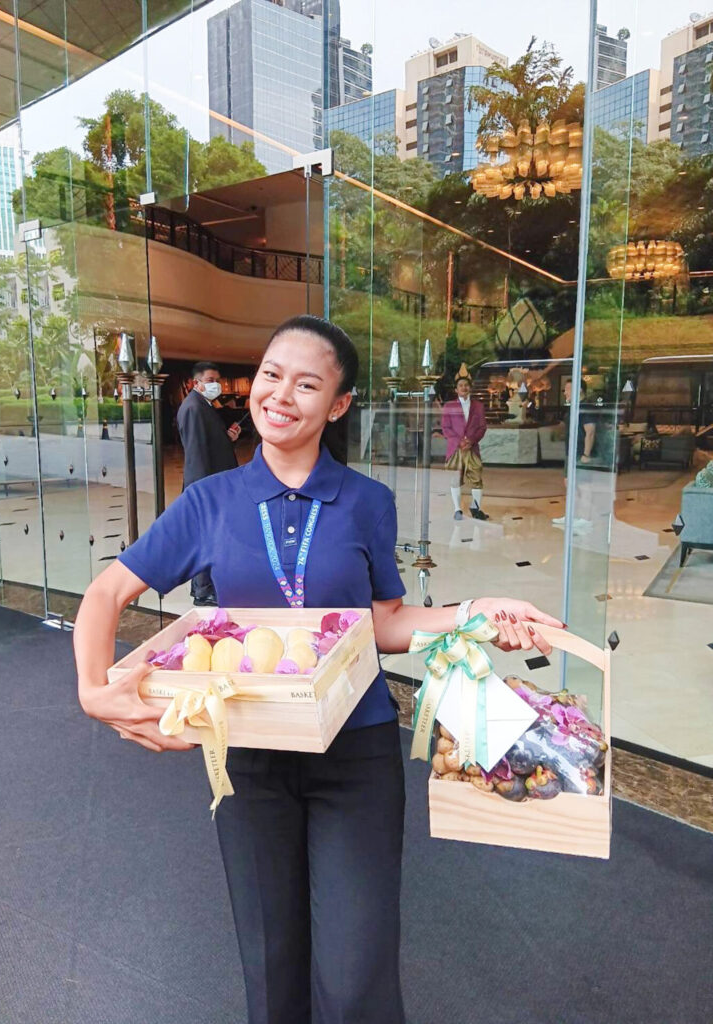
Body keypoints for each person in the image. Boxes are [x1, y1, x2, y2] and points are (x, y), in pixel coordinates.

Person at [73, 314, 563, 1024]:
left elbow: (385, 621)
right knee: (270, 963)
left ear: (337, 405)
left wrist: (475, 612)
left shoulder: (368, 501)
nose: (280, 394)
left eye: (307, 384)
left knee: (355, 966)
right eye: (271, 375)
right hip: (247, 753)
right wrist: (94, 692)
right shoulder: (212, 501)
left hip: (355, 754)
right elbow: (105, 594)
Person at [176, 360, 241, 604]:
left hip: (214, 484)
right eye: (211, 380)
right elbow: (195, 455)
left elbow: (208, 444)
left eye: (217, 380)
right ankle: (202, 590)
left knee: (213, 536)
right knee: (205, 536)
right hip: (206, 487)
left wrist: (227, 439)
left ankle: (208, 585)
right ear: (196, 383)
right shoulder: (193, 408)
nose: (217, 385)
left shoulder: (204, 405)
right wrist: (201, 493)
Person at [552, 378, 597, 534]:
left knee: (583, 486)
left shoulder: (585, 408)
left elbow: (590, 431)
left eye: (568, 389)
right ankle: (572, 515)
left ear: (579, 390)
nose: (565, 392)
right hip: (570, 453)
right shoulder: (573, 407)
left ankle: (586, 518)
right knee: (570, 484)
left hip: (580, 454)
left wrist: (586, 454)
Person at [442, 372, 489, 520]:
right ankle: (457, 510)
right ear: (456, 389)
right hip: (455, 449)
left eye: (466, 385)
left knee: (476, 477)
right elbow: (446, 428)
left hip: (472, 447)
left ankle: (476, 509)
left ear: (470, 388)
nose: (464, 387)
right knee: (455, 478)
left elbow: (482, 427)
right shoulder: (449, 406)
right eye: (460, 385)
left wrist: (472, 440)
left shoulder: (478, 406)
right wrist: (459, 441)